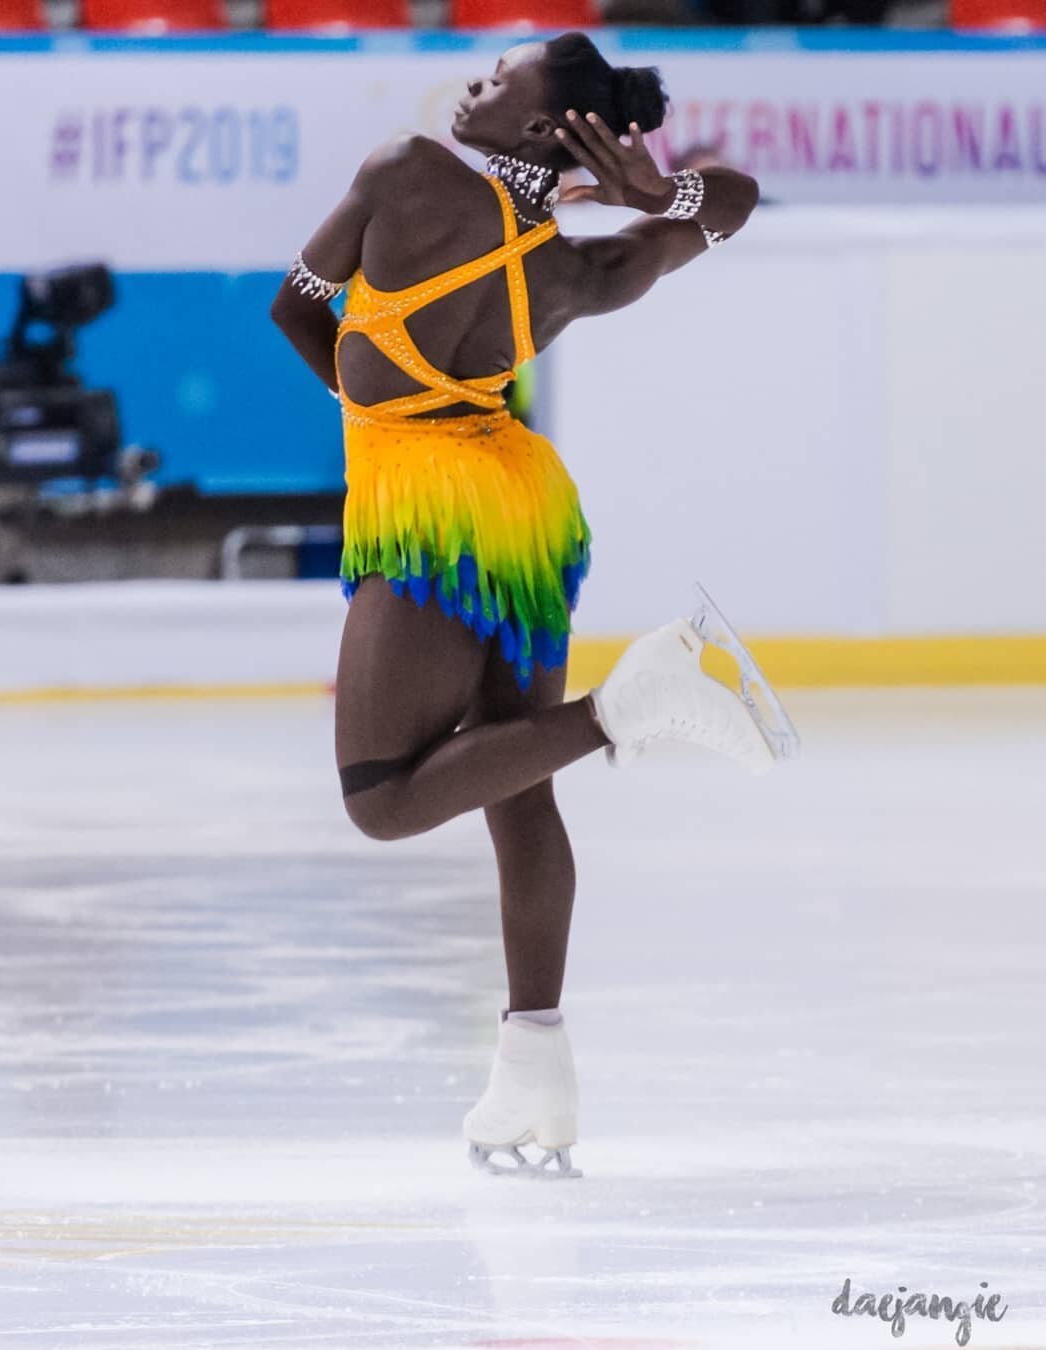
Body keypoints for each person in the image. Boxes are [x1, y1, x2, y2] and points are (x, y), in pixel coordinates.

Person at [271, 31, 791, 1178]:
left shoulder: (403, 171)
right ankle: (535, 1073)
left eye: (498, 80)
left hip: (430, 517)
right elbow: (734, 206)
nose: (474, 82)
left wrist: (381, 411)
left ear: (543, 126)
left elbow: (296, 308)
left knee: (381, 800)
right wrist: (666, 193)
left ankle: (629, 707)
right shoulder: (578, 271)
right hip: (522, 504)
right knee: (518, 789)